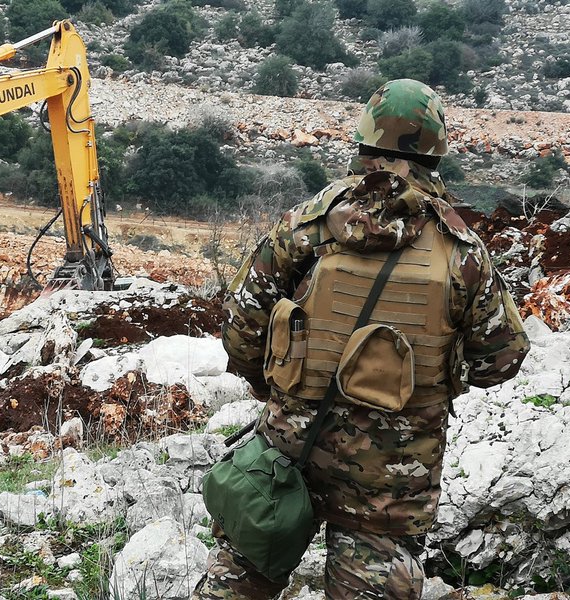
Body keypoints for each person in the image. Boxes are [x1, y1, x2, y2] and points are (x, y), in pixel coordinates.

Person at [194, 79, 530, 599]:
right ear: (437, 149)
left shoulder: (305, 226)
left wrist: (276, 388)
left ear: (363, 136)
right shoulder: (462, 251)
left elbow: (240, 325)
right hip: (392, 477)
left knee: (240, 582)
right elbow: (501, 359)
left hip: (291, 450)